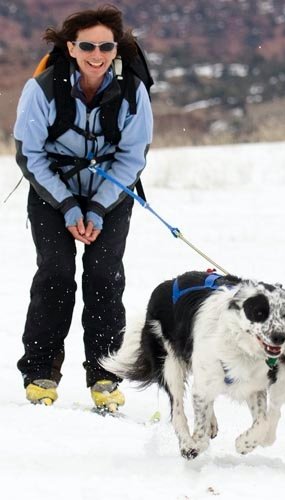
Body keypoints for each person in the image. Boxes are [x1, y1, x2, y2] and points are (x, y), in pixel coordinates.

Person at [14, 5, 153, 411]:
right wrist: (69, 206)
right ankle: (40, 372)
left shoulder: (132, 92)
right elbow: (30, 155)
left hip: (109, 194)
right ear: (71, 48)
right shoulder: (41, 89)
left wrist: (95, 207)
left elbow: (132, 157)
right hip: (51, 193)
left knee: (105, 277)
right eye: (88, 45)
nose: (97, 54)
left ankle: (106, 375)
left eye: (106, 46)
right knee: (55, 273)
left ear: (117, 48)